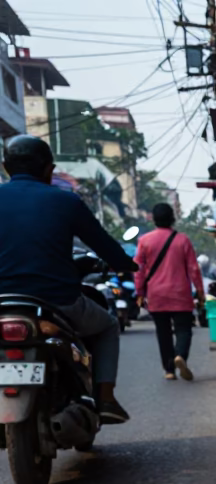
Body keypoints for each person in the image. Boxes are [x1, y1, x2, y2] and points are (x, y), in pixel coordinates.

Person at [0, 135, 137, 423]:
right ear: (48, 169)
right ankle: (106, 398)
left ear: (5, 167)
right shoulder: (66, 201)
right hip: (58, 302)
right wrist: (125, 264)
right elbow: (104, 244)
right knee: (108, 326)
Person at [134, 203, 204, 381]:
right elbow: (193, 269)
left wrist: (139, 292)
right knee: (184, 329)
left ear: (154, 219)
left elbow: (138, 269)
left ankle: (169, 370)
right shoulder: (183, 240)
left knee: (163, 332)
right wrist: (200, 292)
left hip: (156, 294)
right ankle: (180, 355)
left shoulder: (144, 240)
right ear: (172, 218)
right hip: (180, 294)